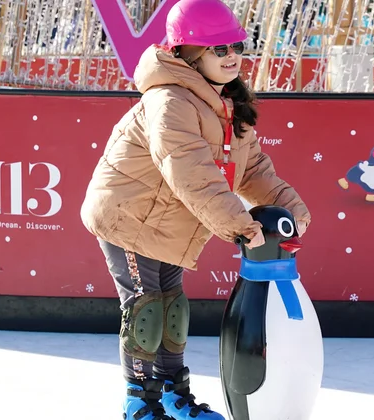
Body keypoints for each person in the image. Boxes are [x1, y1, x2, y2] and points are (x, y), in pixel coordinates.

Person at [79, 0, 311, 418]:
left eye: (236, 45)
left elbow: (254, 169)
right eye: (218, 49)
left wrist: (291, 212)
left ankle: (172, 395)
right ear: (186, 52)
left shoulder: (226, 105)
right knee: (146, 308)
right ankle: (138, 403)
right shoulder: (170, 101)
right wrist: (238, 224)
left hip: (167, 220)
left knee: (173, 308)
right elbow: (190, 171)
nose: (232, 56)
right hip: (129, 216)